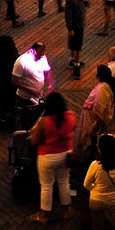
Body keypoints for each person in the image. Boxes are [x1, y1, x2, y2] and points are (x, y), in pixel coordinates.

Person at [30, 91, 76, 223]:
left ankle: (44, 215)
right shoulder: (71, 116)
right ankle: (66, 210)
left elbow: (35, 141)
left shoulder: (44, 122)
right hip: (66, 154)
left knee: (46, 186)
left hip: (47, 156)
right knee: (64, 182)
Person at [64, 0, 89, 76]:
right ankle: (76, 67)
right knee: (77, 46)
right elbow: (68, 14)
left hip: (79, 23)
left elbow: (87, 4)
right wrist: (70, 28)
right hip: (76, 25)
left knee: (74, 44)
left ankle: (72, 60)